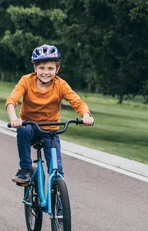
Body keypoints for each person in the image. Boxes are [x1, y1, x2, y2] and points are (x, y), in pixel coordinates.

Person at [6, 44, 94, 184]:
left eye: (50, 68)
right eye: (41, 68)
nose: (45, 72)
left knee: (57, 171)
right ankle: (25, 170)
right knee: (23, 130)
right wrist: (14, 118)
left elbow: (77, 102)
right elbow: (12, 101)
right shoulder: (26, 81)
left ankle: (60, 204)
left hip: (50, 130)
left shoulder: (60, 85)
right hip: (30, 126)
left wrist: (86, 115)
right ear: (35, 68)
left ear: (57, 69)